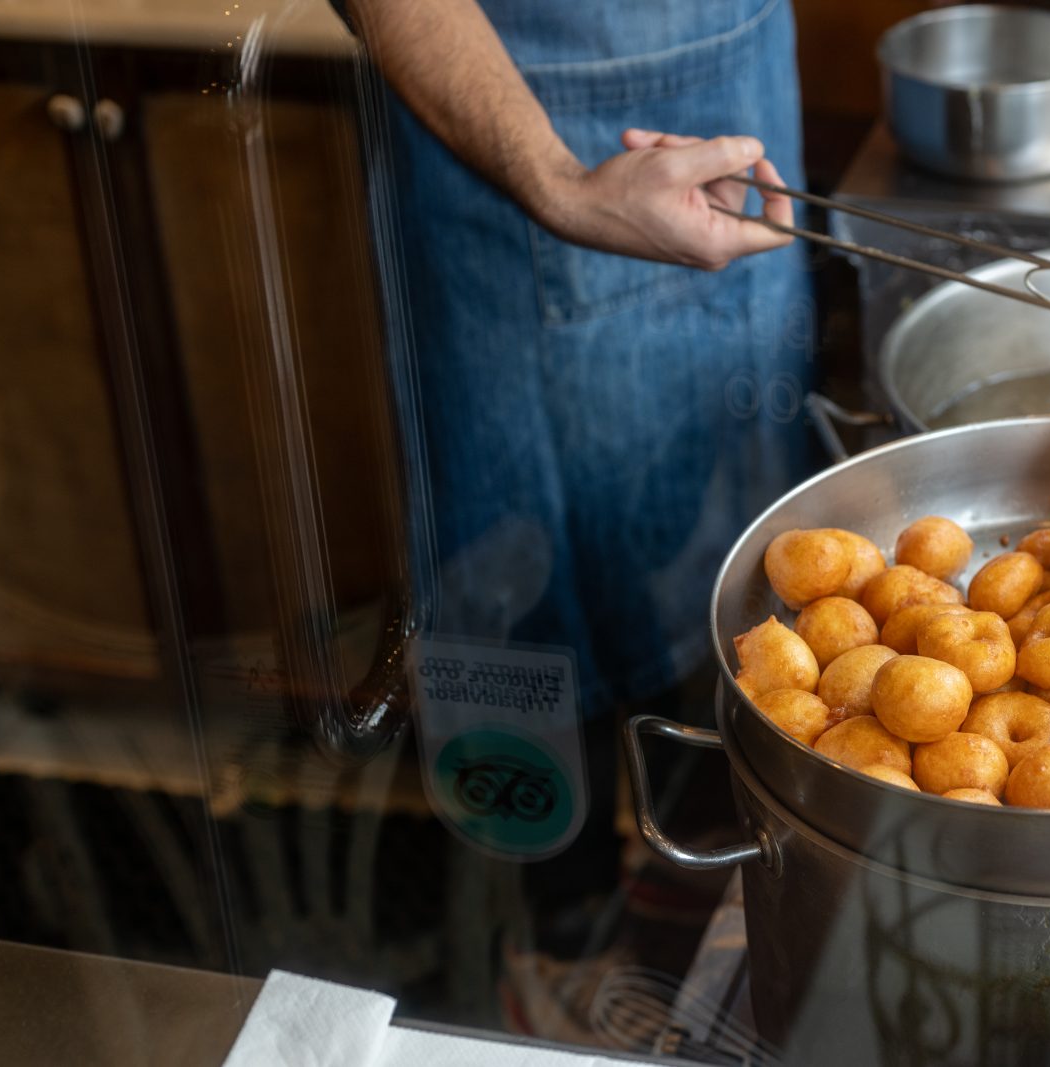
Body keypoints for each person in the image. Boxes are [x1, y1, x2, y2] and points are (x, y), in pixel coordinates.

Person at [339, 0, 816, 1009]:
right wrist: (557, 184)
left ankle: (717, 899)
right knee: (538, 594)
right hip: (519, 143)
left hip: (737, 91)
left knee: (747, 579)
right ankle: (561, 945)